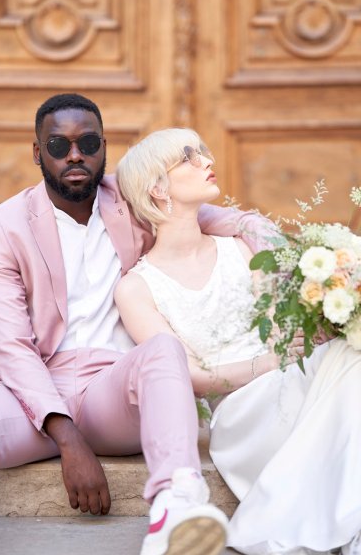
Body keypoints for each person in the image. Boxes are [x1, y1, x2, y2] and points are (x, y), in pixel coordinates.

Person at [0, 94, 276, 555]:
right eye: (58, 144)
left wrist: (299, 256)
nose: (74, 155)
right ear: (37, 152)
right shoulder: (4, 224)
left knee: (164, 350)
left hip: (118, 383)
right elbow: (11, 345)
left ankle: (177, 508)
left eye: (87, 142)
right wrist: (67, 438)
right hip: (35, 388)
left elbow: (227, 220)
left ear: (103, 147)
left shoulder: (128, 198)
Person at [115, 127, 361, 555]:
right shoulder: (136, 288)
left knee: (346, 352)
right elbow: (186, 375)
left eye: (204, 153)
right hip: (241, 416)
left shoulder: (240, 250)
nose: (208, 161)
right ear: (157, 187)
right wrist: (268, 364)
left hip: (291, 380)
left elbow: (281, 327)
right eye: (190, 156)